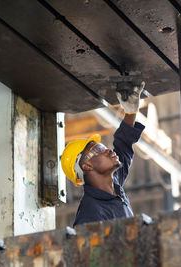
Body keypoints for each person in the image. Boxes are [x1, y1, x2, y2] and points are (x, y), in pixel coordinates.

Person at [61, 82, 146, 227]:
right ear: (87, 165)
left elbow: (123, 145)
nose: (108, 150)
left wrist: (130, 112)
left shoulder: (114, 183)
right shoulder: (90, 212)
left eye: (103, 147)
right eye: (97, 150)